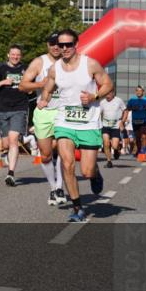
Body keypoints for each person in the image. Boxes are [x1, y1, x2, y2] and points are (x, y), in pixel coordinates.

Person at [38, 29, 113, 223]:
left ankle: (95, 173)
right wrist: (44, 99)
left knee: (86, 171)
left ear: (76, 44)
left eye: (68, 45)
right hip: (64, 122)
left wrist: (94, 96)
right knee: (67, 163)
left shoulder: (90, 64)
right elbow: (48, 87)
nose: (64, 48)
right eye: (60, 45)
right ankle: (77, 207)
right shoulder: (55, 68)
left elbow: (107, 84)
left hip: (88, 123)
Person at [18, 33, 66, 205]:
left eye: (59, 44)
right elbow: (23, 85)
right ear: (47, 45)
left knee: (63, 150)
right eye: (52, 44)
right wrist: (42, 84)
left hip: (64, 111)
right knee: (45, 155)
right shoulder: (39, 62)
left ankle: (60, 187)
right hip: (44, 112)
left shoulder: (70, 61)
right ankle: (53, 188)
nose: (56, 47)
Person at [0, 45, 31, 187]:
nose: (15, 57)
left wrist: (29, 89)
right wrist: (3, 82)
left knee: (13, 140)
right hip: (2, 109)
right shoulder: (1, 69)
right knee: (5, 144)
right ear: (8, 55)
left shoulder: (26, 69)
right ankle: (9, 155)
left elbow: (32, 86)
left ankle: (11, 173)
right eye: (13, 54)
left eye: (18, 55)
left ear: (21, 56)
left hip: (19, 108)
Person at [99, 90, 128, 168]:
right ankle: (109, 161)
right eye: (106, 93)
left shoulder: (119, 100)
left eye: (108, 93)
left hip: (116, 126)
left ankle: (116, 150)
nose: (107, 95)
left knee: (114, 146)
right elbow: (98, 113)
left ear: (113, 93)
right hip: (105, 125)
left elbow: (125, 111)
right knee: (106, 143)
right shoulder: (102, 102)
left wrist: (123, 121)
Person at [127, 87, 146, 158]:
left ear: (143, 92)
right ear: (135, 92)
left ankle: (143, 150)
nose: (138, 92)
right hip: (135, 121)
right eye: (137, 91)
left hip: (144, 120)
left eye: (140, 91)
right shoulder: (132, 100)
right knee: (137, 138)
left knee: (144, 136)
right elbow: (128, 108)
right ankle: (139, 150)